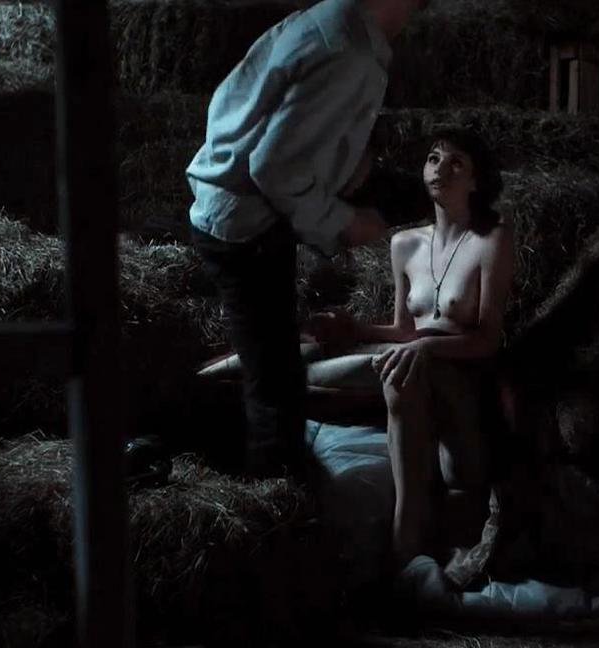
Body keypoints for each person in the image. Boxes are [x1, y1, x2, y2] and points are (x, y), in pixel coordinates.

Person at [185, 0, 429, 480]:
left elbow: (234, 101)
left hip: (229, 205)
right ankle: (277, 495)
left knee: (273, 370)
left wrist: (344, 163)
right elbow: (274, 167)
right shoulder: (349, 52)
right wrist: (343, 223)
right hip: (248, 226)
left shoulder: (325, 21)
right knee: (277, 386)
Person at [307, 128, 514, 569]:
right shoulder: (405, 244)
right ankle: (210, 380)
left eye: (457, 163)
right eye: (434, 159)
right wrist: (352, 327)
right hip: (411, 361)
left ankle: (405, 537)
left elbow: (487, 340)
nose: (441, 169)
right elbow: (404, 330)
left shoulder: (492, 238)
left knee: (404, 372)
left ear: (476, 180)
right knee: (302, 360)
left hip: (462, 371)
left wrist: (427, 349)